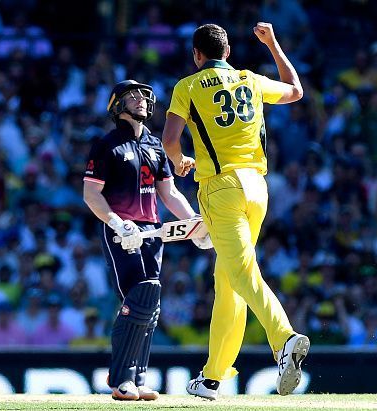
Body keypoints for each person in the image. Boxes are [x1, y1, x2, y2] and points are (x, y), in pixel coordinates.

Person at [162, 22, 309, 400]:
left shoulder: (188, 86)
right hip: (258, 188)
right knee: (228, 281)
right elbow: (295, 90)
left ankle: (284, 338)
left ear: (197, 56)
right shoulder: (250, 78)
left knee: (240, 275)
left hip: (220, 188)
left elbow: (169, 141)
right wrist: (274, 44)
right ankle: (212, 378)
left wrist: (180, 163)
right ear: (227, 53)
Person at [83, 79, 212, 401]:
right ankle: (120, 380)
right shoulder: (107, 145)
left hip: (153, 231)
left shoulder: (155, 145)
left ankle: (138, 378)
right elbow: (90, 193)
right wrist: (115, 222)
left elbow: (169, 193)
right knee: (137, 298)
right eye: (132, 96)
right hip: (122, 232)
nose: (141, 100)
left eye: (143, 95)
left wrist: (194, 222)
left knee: (150, 302)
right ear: (117, 105)